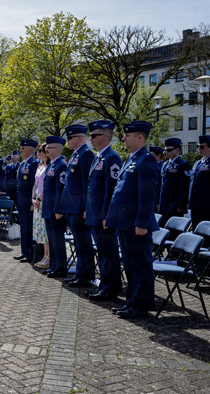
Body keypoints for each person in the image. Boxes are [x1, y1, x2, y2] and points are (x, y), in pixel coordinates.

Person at [106, 120, 159, 319]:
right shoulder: (130, 159)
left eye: (127, 135)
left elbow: (147, 195)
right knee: (129, 264)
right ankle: (131, 302)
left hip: (136, 224)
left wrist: (141, 223)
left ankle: (142, 305)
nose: (123, 138)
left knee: (140, 265)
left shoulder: (146, 160)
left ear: (139, 138)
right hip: (124, 221)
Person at [84, 121, 122, 301]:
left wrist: (107, 215)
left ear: (105, 137)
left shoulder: (111, 158)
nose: (90, 139)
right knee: (102, 251)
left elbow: (111, 190)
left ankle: (111, 287)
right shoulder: (99, 157)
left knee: (109, 252)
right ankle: (105, 285)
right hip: (95, 214)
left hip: (103, 216)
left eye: (94, 135)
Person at [58, 125, 95, 288]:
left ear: (80, 138)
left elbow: (88, 184)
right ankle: (80, 273)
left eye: (70, 138)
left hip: (79, 208)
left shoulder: (86, 154)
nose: (67, 141)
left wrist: (86, 207)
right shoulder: (76, 154)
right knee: (78, 243)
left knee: (84, 243)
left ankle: (86, 276)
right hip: (72, 207)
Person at [42, 136, 68, 278]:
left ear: (57, 149)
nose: (46, 149)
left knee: (57, 240)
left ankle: (60, 268)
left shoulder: (61, 166)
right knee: (52, 239)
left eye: (49, 148)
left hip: (55, 210)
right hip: (48, 208)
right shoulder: (51, 165)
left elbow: (61, 190)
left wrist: (58, 209)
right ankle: (53, 266)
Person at [14, 140, 39, 262]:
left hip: (28, 203)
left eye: (23, 148)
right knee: (23, 229)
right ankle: (24, 251)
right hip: (21, 202)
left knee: (29, 229)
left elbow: (33, 185)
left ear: (30, 150)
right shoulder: (22, 164)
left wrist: (32, 201)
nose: (20, 150)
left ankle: (29, 254)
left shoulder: (33, 164)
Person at [158, 138, 191, 227]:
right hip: (164, 205)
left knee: (173, 233)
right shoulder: (165, 164)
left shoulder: (183, 165)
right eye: (165, 150)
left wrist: (181, 205)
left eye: (169, 150)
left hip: (175, 206)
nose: (166, 152)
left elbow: (185, 187)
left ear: (177, 150)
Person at [32, 143, 50, 269]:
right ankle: (44, 255)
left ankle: (48, 257)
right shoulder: (40, 166)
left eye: (40, 150)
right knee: (39, 228)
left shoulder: (49, 166)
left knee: (44, 229)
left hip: (43, 200)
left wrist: (39, 199)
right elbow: (35, 185)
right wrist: (33, 198)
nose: (38, 153)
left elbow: (46, 185)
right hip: (37, 200)